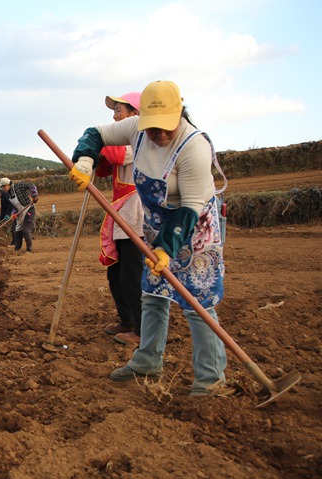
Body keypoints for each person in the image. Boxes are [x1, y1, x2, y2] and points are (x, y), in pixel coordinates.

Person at [71, 80, 229, 396]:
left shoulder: (194, 146)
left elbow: (190, 206)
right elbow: (96, 133)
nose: (158, 133)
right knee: (153, 292)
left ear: (179, 113)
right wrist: (85, 160)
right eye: (152, 126)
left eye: (165, 126)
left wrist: (166, 249)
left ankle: (210, 378)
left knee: (196, 299)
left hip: (194, 227)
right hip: (156, 224)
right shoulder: (136, 129)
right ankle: (148, 361)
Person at [95, 91, 144, 347]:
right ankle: (127, 320)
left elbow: (115, 154)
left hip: (137, 215)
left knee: (132, 274)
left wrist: (98, 139)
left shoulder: (140, 140)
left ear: (135, 115)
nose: (114, 117)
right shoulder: (122, 141)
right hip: (121, 214)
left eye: (118, 111)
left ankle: (142, 328)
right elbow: (104, 167)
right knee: (116, 274)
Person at [0, 177, 39, 253]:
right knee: (18, 230)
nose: (2, 189)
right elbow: (14, 206)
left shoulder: (18, 186)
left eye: (2, 187)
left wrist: (34, 195)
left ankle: (29, 249)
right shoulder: (9, 195)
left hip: (28, 209)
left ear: (7, 185)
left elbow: (31, 185)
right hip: (20, 212)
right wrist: (14, 213)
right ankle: (17, 249)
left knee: (26, 231)